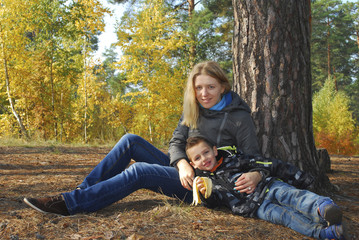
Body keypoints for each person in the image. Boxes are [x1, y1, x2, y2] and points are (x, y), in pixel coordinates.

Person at [23, 61, 263, 216]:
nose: (203, 94)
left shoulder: (238, 117)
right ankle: (84, 192)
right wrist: (181, 164)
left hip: (207, 185)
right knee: (130, 140)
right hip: (185, 172)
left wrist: (256, 173)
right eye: (198, 88)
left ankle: (69, 204)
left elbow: (253, 158)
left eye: (210, 87)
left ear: (222, 86)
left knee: (141, 171)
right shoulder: (194, 108)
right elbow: (176, 142)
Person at [185, 136, 347, 240]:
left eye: (206, 152)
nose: (204, 159)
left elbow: (262, 164)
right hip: (255, 207)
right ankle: (322, 233)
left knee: (292, 195)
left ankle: (321, 207)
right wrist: (206, 194)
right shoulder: (206, 181)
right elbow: (215, 203)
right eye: (197, 158)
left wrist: (258, 174)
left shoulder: (234, 159)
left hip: (267, 186)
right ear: (193, 164)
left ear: (214, 150)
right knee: (286, 217)